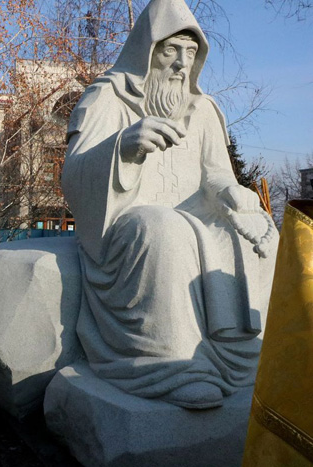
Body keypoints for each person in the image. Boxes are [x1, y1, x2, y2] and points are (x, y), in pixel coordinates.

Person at [61, 0, 278, 409]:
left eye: (190, 52)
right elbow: (72, 177)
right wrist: (121, 148)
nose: (181, 63)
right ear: (149, 49)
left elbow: (216, 175)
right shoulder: (107, 97)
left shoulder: (203, 109)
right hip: (126, 224)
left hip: (196, 214)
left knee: (259, 232)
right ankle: (174, 365)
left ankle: (243, 359)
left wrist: (232, 193)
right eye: (170, 50)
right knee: (163, 228)